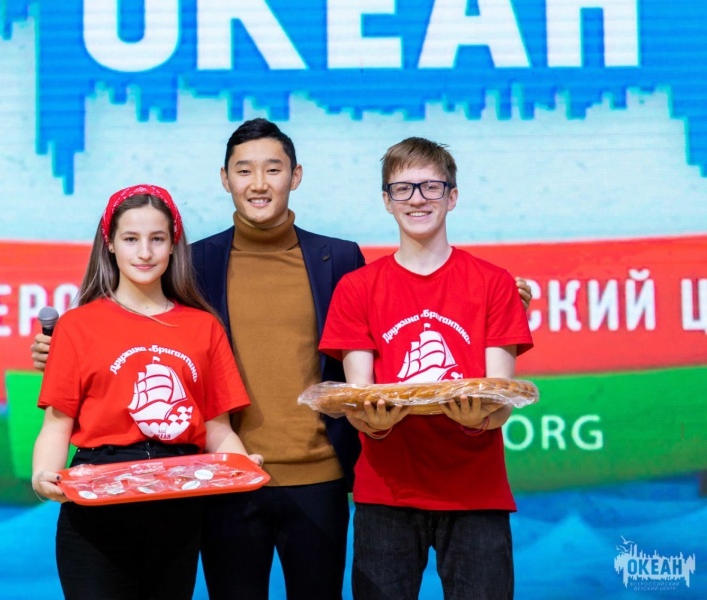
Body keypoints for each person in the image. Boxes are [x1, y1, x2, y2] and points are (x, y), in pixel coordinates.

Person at [31, 120, 532, 600]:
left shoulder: (340, 260)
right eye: (244, 170)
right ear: (225, 178)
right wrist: (59, 351)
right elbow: (133, 331)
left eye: (273, 169)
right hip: (226, 479)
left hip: (321, 478)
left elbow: (391, 321)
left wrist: (497, 299)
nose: (259, 183)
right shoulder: (195, 262)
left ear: (295, 175)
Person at [318, 137, 534, 600]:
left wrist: (481, 419)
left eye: (431, 187)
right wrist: (373, 424)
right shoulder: (357, 288)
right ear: (387, 201)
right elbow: (360, 399)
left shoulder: (495, 284)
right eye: (403, 188)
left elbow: (500, 400)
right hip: (386, 493)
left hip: (476, 493)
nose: (417, 199)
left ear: (452, 197)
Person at [31, 184, 261, 600]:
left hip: (178, 509)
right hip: (96, 507)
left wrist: (242, 467)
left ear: (173, 245)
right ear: (110, 244)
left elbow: (218, 429)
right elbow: (57, 423)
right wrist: (42, 475)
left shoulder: (204, 327)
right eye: (130, 239)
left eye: (157, 239)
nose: (144, 252)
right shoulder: (76, 326)